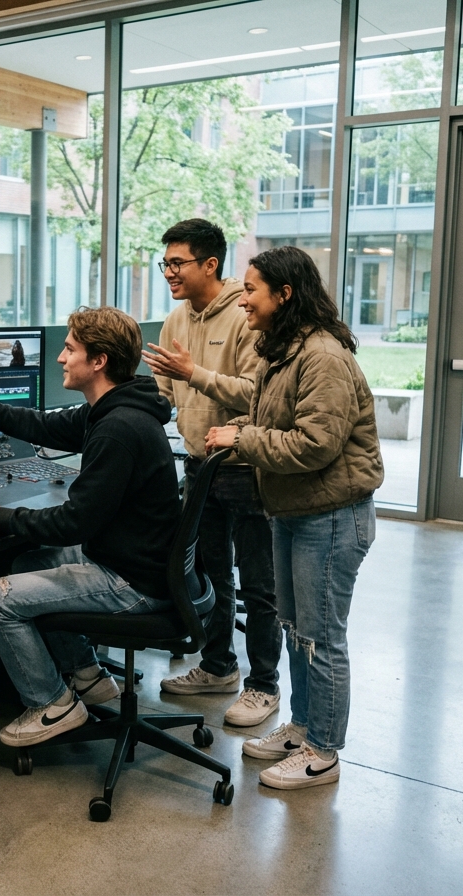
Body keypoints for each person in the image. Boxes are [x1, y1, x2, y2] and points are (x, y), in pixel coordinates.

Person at [0, 307, 180, 748]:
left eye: (70, 349)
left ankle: (53, 703)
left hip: (131, 582)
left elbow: (71, 522)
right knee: (29, 561)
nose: (60, 357)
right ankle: (88, 675)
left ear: (98, 362)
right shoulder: (117, 407)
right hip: (140, 561)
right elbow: (44, 424)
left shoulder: (118, 429)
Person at [205, 245, 383, 790]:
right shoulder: (282, 351)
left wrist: (242, 436)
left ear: (285, 295)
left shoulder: (323, 356)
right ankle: (303, 725)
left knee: (322, 637)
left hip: (331, 516)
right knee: (296, 631)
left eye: (252, 290)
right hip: (292, 509)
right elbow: (269, 416)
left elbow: (316, 444)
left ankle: (323, 752)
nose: (243, 301)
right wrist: (240, 429)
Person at [144, 219, 282, 728]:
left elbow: (258, 394)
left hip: (246, 467)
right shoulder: (175, 321)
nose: (169, 272)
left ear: (210, 264)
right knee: (210, 574)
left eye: (177, 263)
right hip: (199, 466)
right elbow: (161, 392)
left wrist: (193, 374)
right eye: (166, 263)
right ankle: (219, 665)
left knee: (260, 585)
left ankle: (264, 685)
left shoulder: (248, 317)